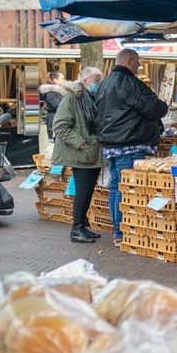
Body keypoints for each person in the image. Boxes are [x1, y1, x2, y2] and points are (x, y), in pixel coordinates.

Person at [97, 49, 168, 242]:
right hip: (130, 143)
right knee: (127, 188)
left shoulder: (106, 82)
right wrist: (164, 107)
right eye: (138, 62)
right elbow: (153, 107)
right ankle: (122, 232)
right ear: (129, 61)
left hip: (112, 143)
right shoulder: (129, 83)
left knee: (116, 186)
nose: (139, 66)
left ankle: (117, 229)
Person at [52, 67, 104, 243]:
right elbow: (59, 126)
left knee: (88, 190)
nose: (99, 83)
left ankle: (82, 225)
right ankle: (77, 229)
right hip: (80, 153)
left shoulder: (92, 98)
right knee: (83, 190)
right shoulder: (72, 98)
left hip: (91, 153)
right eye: (96, 80)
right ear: (85, 81)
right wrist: (81, 143)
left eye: (100, 79)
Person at [40, 72, 66, 140]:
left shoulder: (59, 91)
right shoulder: (51, 93)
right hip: (54, 119)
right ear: (55, 80)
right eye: (62, 79)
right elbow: (59, 106)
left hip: (58, 118)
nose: (64, 80)